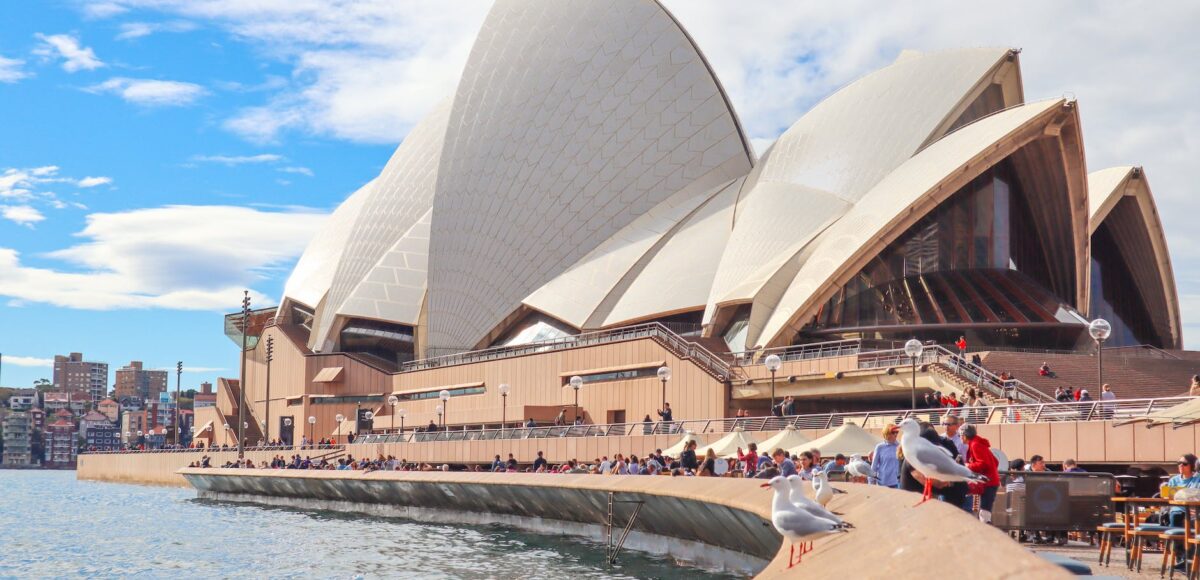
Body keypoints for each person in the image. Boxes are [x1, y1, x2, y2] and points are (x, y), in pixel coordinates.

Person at [963, 424, 1000, 523]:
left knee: (984, 513)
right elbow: (995, 461)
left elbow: (982, 464)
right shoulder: (978, 443)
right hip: (991, 481)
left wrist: (967, 466)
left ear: (964, 435)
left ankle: (988, 536)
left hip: (987, 482)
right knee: (984, 511)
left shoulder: (975, 445)